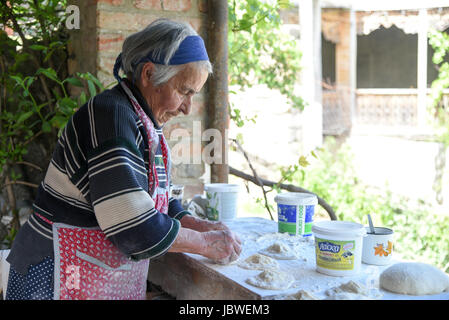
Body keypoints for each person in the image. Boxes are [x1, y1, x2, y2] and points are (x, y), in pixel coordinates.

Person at [5, 18, 242, 300]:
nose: (187, 108)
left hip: (85, 272)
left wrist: (197, 224)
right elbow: (135, 227)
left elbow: (156, 200)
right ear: (149, 73)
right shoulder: (111, 117)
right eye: (184, 91)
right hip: (54, 276)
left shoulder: (140, 119)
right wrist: (203, 243)